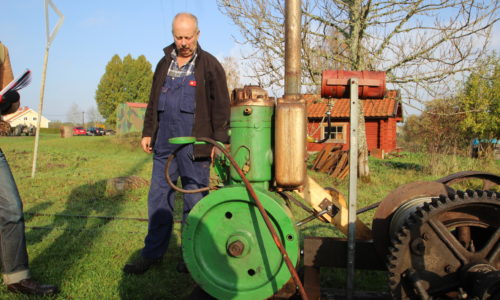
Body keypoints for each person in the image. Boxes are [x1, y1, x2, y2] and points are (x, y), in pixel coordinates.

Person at [123, 13, 230, 274]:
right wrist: (148, 131)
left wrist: (219, 141)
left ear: (198, 35)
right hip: (164, 144)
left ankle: (191, 255)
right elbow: (153, 100)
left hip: (196, 144)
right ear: (173, 35)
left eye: (188, 37)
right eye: (178, 37)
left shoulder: (210, 65)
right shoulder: (163, 64)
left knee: (195, 200)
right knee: (159, 199)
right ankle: (153, 253)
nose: (183, 42)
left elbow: (221, 107)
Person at [0, 42, 58, 295]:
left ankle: (16, 277)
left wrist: (9, 102)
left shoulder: (1, 49)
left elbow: (10, 95)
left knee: (11, 207)